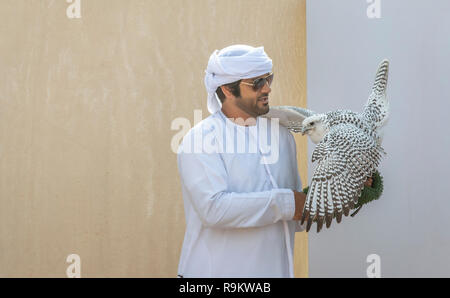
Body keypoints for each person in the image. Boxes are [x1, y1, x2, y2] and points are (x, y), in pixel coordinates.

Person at [176, 45, 307, 278]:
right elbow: (214, 210)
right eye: (256, 82)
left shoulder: (282, 137)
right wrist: (288, 203)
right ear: (227, 89)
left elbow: (296, 217)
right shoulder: (201, 140)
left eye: (269, 78)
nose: (267, 88)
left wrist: (343, 189)